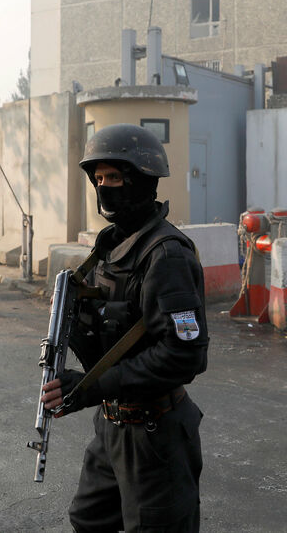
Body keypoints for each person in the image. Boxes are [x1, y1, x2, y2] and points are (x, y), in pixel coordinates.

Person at [40, 123, 208, 531]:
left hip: (155, 433)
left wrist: (91, 387)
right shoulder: (111, 247)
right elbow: (112, 336)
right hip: (113, 425)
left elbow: (183, 354)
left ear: (143, 181)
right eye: (98, 179)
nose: (104, 188)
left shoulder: (165, 255)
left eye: (114, 177)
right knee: (89, 520)